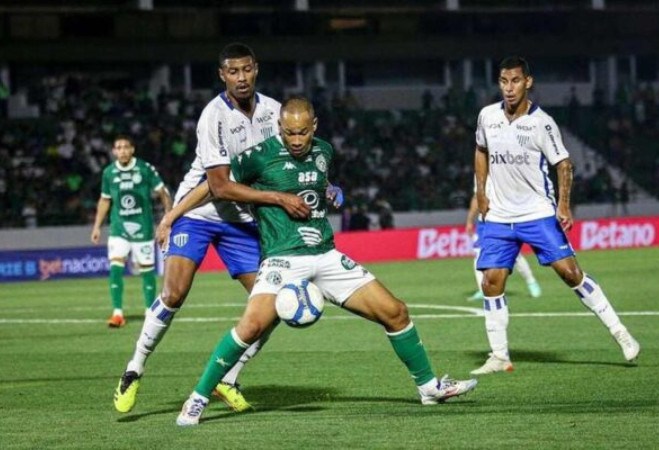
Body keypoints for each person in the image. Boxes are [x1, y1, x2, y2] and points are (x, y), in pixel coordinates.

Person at [175, 97, 478, 426]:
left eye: (302, 133)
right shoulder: (258, 157)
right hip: (282, 259)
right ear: (279, 127)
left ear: (314, 127)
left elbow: (315, 182)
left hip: (327, 255)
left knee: (396, 312)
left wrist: (331, 189)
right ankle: (198, 398)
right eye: (288, 133)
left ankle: (429, 387)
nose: (295, 140)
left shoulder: (324, 151)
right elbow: (217, 186)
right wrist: (175, 215)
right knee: (250, 327)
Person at [113, 43, 312, 414]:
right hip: (200, 213)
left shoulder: (274, 112)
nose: (241, 78)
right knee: (174, 293)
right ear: (222, 75)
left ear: (256, 70)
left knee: (272, 307)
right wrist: (171, 216)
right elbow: (217, 186)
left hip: (242, 221)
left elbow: (288, 165)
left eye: (246, 70)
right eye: (232, 72)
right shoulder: (212, 117)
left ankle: (228, 378)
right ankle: (134, 369)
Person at [471, 56, 640, 375]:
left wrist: (563, 205)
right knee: (491, 281)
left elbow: (564, 164)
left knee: (570, 273)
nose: (509, 88)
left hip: (536, 212)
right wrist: (481, 192)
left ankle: (621, 333)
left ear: (528, 82)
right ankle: (499, 355)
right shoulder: (487, 116)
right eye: (504, 81)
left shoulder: (542, 123)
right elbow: (481, 151)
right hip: (498, 214)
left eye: (515, 81)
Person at [91, 135, 172, 328]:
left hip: (142, 227)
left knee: (146, 269)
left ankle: (150, 312)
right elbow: (105, 200)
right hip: (119, 228)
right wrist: (96, 226)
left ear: (132, 149)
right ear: (113, 151)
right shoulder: (109, 173)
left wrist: (168, 218)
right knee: (116, 265)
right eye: (118, 148)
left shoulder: (144, 169)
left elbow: (163, 193)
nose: (122, 151)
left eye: (126, 147)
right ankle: (117, 313)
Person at [465, 191, 541, 302]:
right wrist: (470, 220)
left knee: (514, 254)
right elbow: (477, 196)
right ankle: (482, 289)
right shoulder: (479, 175)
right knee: (479, 252)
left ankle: (531, 282)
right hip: (484, 220)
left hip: (503, 217)